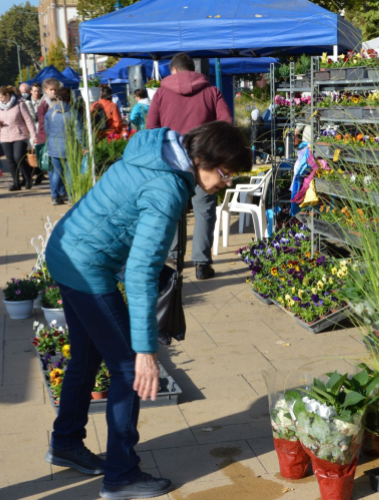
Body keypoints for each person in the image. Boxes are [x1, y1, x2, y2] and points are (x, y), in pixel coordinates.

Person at [44, 121, 251, 500]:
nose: (227, 183)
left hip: (67, 250)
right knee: (128, 370)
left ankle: (66, 442)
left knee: (87, 356)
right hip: (86, 267)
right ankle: (121, 475)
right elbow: (140, 271)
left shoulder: (156, 152)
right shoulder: (167, 188)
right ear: (203, 158)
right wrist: (145, 351)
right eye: (226, 172)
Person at [146, 52, 233, 280]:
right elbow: (227, 122)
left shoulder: (161, 93)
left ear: (173, 70)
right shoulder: (211, 90)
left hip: (172, 161)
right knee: (205, 210)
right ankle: (202, 264)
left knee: (174, 210)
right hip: (203, 159)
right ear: (193, 69)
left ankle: (175, 259)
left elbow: (151, 126)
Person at [0, 85, 36, 191]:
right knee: (10, 160)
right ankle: (16, 183)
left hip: (20, 134)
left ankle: (27, 177)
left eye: (1, 97)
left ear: (7, 95)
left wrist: (34, 135)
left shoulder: (20, 103)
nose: (0, 100)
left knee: (18, 157)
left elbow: (28, 120)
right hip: (4, 136)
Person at [44, 87, 81, 205]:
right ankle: (70, 197)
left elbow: (47, 130)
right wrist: (84, 145)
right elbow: (79, 132)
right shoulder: (73, 112)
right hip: (69, 146)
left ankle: (55, 196)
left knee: (56, 172)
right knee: (70, 172)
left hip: (54, 145)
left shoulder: (50, 113)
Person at [36, 78, 63, 179]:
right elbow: (42, 122)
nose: (54, 92)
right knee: (52, 164)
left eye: (55, 89)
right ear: (45, 89)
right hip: (48, 135)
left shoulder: (58, 99)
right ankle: (55, 189)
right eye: (51, 89)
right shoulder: (44, 102)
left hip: (58, 135)